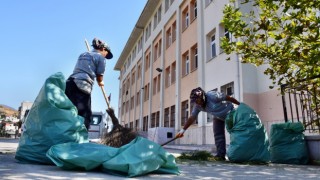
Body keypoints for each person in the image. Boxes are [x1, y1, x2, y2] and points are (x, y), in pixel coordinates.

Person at [175, 87, 240, 161]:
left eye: (197, 100)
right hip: (218, 117)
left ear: (202, 97)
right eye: (195, 101)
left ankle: (238, 153)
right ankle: (220, 155)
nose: (196, 103)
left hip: (230, 113)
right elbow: (192, 117)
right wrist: (182, 130)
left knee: (235, 132)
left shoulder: (212, 96)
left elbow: (228, 97)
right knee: (218, 134)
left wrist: (239, 105)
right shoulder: (197, 106)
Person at [65, 38, 113, 130]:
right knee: (85, 115)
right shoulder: (101, 58)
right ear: (103, 49)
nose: (106, 56)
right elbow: (99, 76)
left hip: (70, 83)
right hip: (81, 85)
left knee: (70, 112)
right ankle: (80, 140)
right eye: (107, 53)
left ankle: (67, 136)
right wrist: (101, 82)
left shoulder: (83, 54)